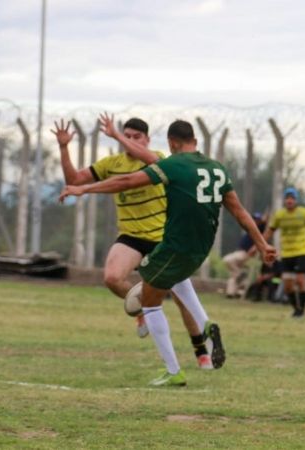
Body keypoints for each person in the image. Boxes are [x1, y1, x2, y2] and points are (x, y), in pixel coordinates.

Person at [60, 119, 276, 387]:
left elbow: (128, 181)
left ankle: (174, 370)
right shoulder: (217, 169)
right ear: (195, 140)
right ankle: (205, 326)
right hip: (200, 247)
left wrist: (84, 189)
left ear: (172, 143)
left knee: (150, 301)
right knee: (177, 282)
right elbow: (239, 211)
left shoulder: (173, 164)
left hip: (174, 244)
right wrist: (263, 244)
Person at [53, 117, 216, 369]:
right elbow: (74, 180)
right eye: (127, 135)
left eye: (136, 137)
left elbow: (129, 179)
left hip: (162, 239)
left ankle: (201, 351)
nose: (130, 140)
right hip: (131, 237)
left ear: (147, 140)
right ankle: (141, 311)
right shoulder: (112, 164)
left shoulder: (158, 159)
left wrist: (117, 135)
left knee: (183, 299)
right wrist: (64, 148)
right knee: (112, 277)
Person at [263, 187, 305, 318]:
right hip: (286, 253)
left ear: (296, 200)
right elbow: (269, 231)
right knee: (287, 286)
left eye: (292, 198)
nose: (289, 201)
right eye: (287, 198)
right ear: (284, 200)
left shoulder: (304, 213)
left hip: (301, 250)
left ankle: (302, 310)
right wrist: (261, 246)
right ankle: (296, 309)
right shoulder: (280, 215)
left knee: (300, 280)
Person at [222, 212, 266, 298]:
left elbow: (266, 224)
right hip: (239, 251)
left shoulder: (260, 230)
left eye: (257, 220)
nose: (255, 221)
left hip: (245, 253)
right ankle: (233, 293)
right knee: (235, 274)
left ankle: (239, 277)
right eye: (254, 219)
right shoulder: (250, 227)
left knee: (227, 260)